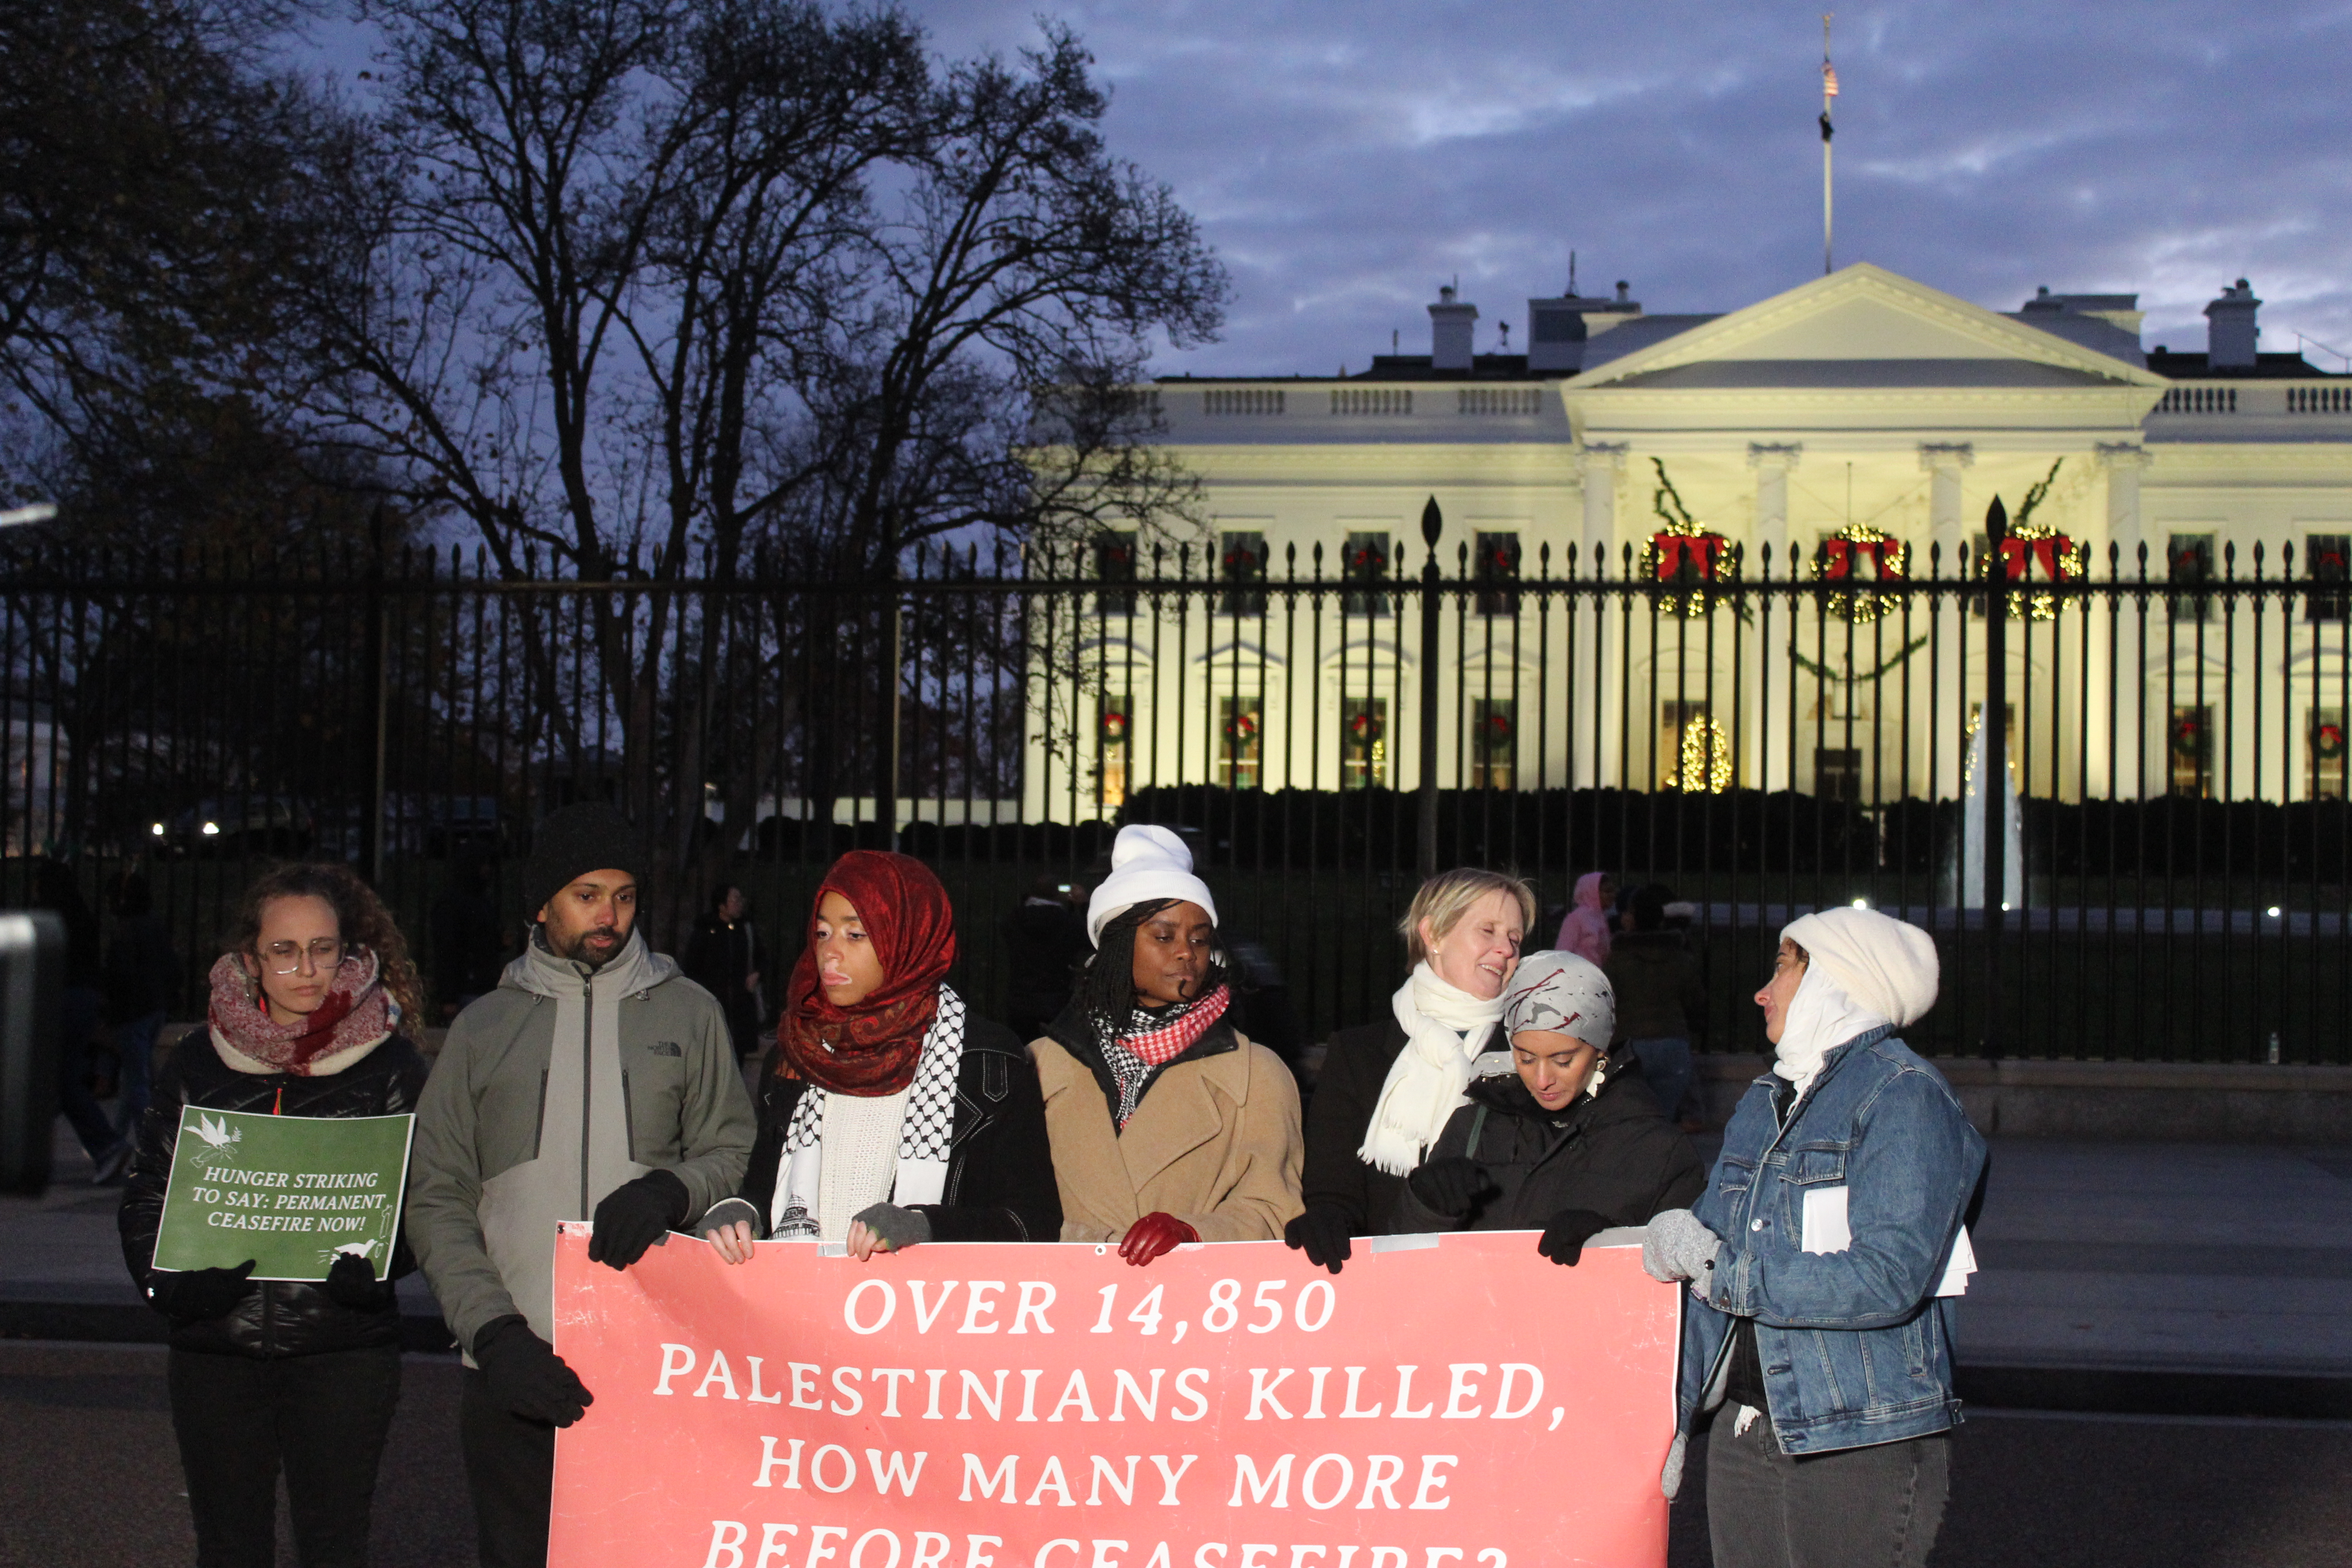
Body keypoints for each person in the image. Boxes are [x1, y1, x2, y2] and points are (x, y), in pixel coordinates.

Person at [407, 802, 754, 1568]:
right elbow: (436, 1193)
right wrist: (492, 1333)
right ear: (542, 904)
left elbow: (733, 1149)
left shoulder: (691, 1012)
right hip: (514, 1364)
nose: (609, 915)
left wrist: (673, 1189)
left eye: (624, 896)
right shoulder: (483, 1028)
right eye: (587, 894)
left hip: (655, 1361)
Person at [1643, 906, 1983, 1568]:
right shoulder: (1767, 1099)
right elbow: (1707, 1262)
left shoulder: (1904, 1096)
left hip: (1859, 1436)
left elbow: (1888, 1277)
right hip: (1747, 1427)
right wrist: (1676, 1416)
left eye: (1782, 968)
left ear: (1837, 977)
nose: (1761, 992)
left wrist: (1721, 1269)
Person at [117, 862, 429, 1568]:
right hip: (218, 1346)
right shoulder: (199, 1061)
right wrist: (168, 1285)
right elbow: (147, 1189)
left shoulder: (392, 1066)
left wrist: (385, 1264)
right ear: (252, 959)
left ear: (347, 952)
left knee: (334, 1546)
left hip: (343, 1346)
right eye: (285, 950)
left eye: (323, 949)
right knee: (230, 1548)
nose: (307, 970)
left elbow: (427, 1198)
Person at [697, 851, 1058, 1261]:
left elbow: (1032, 1222)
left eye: (855, 935)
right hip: (797, 1296)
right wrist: (739, 1212)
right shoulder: (798, 1052)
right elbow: (765, 1187)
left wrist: (925, 1226)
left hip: (924, 1301)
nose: (830, 953)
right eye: (822, 933)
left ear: (908, 939)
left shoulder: (988, 1062)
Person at [1032, 824, 1301, 1262]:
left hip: (1192, 1298)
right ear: (1116, 944)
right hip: (1063, 1294)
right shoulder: (1038, 1066)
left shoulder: (1257, 1073)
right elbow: (1010, 1207)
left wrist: (1194, 1232)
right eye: (1164, 936)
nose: (1186, 952)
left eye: (1199, 939)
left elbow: (1274, 1208)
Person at [1286, 868, 1533, 1273]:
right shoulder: (1358, 1054)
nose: (1506, 950)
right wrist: (1329, 1219)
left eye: (1515, 939)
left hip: (1494, 1278)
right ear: (1433, 934)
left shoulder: (1528, 1054)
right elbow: (1333, 1189)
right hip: (1382, 1281)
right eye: (1488, 931)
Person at [1389, 949, 1704, 1257]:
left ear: (1600, 1049)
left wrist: (1615, 1243)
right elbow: (1404, 1260)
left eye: (1563, 1060)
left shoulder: (1659, 1151)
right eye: (1526, 1058)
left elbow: (1687, 1267)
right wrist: (1426, 1205)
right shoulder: (1473, 1127)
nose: (1542, 1080)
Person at [1605, 882, 1710, 1127]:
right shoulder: (1679, 958)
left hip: (1630, 1046)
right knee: (1663, 1121)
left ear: (1633, 919)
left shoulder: (1617, 960)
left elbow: (1604, 1002)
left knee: (1632, 1122)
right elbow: (1696, 1003)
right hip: (1673, 1045)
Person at [100, 870, 179, 1180]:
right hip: (154, 1007)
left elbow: (120, 976)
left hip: (133, 1011)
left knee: (136, 1081)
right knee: (135, 1075)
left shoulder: (127, 931)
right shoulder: (153, 926)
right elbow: (171, 967)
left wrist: (112, 1011)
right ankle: (115, 1139)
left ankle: (148, 1148)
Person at [1000, 874, 1091, 1045]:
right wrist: (1083, 905)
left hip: (1020, 1000)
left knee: (1022, 1049)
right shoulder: (1068, 922)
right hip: (1056, 1001)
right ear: (1058, 894)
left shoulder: (1015, 919)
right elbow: (1092, 939)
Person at [683, 883, 768, 1058]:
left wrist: (757, 974)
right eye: (735, 900)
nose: (740, 904)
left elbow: (762, 958)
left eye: (740, 899)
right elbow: (692, 966)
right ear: (722, 906)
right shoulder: (705, 931)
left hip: (741, 1003)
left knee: (738, 1053)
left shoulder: (746, 929)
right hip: (714, 1002)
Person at [428, 850, 508, 1021]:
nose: (487, 869)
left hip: (483, 985)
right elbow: (447, 950)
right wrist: (449, 997)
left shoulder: (480, 901)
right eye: (483, 864)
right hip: (468, 987)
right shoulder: (455, 903)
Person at [1553, 869, 1614, 968]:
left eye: (1613, 891)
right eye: (1607, 891)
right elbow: (1562, 952)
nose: (1612, 895)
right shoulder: (1576, 918)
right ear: (1592, 892)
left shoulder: (1601, 918)